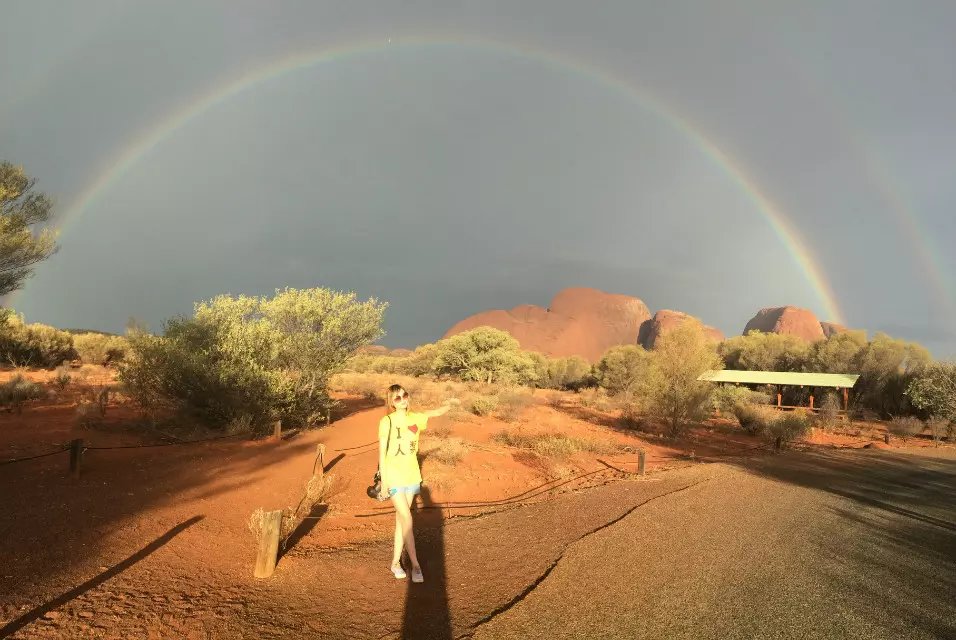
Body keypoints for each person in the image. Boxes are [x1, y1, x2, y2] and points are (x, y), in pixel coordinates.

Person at [379, 383, 453, 583]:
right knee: (407, 518)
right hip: (394, 476)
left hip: (412, 476)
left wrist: (450, 403)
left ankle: (395, 562)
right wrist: (384, 482)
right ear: (391, 402)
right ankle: (416, 564)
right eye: (397, 398)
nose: (403, 399)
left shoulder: (415, 419)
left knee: (400, 522)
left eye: (405, 395)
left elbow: (434, 412)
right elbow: (382, 453)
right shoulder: (387, 421)